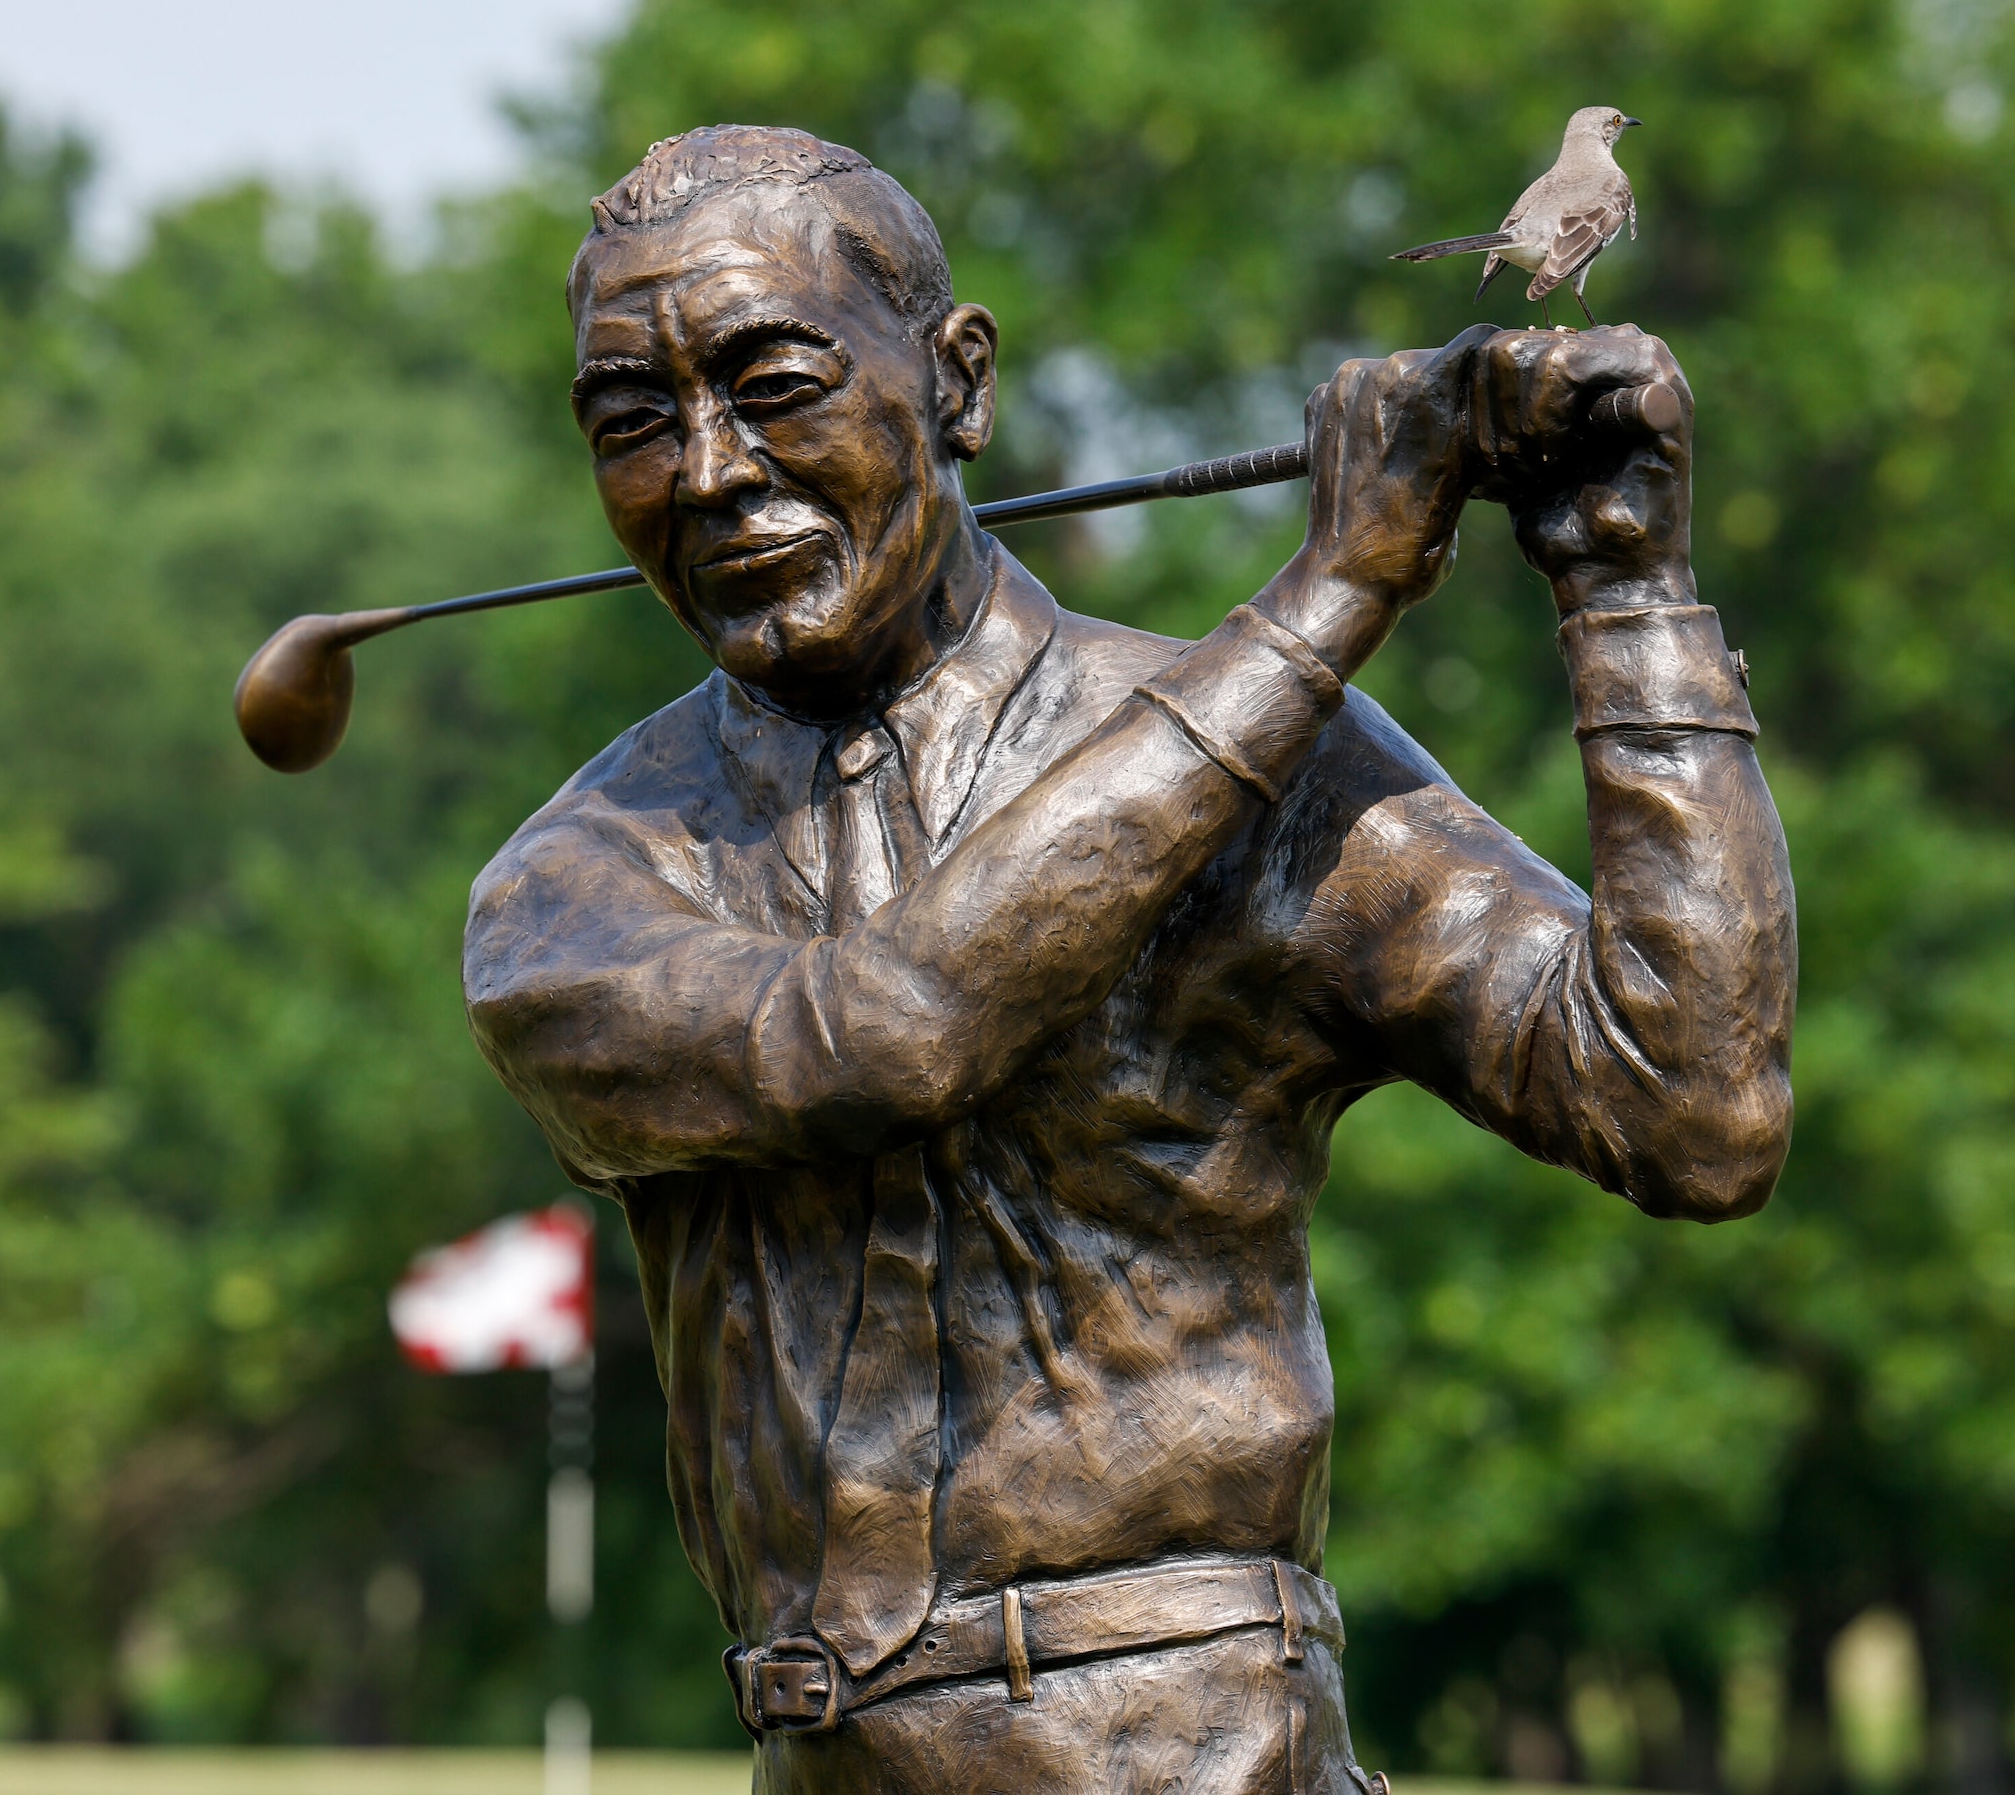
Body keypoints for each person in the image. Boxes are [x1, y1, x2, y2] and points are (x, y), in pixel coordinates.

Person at [463, 124, 1794, 1794]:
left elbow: (1694, 1106)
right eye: (636, 423)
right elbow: (884, 1033)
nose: (714, 471)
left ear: (958, 385)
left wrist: (1629, 595)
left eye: (776, 385)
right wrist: (1331, 597)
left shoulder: (1275, 764)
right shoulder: (578, 880)